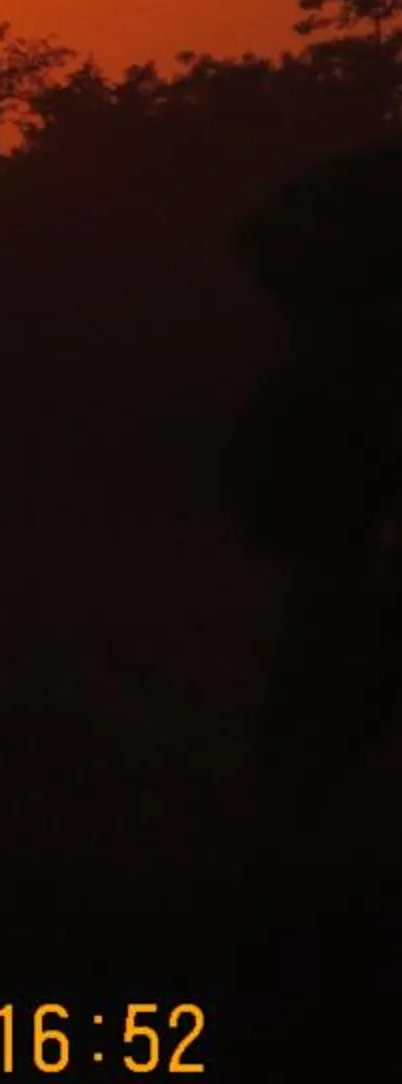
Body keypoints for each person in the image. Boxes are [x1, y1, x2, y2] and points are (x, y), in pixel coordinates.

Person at [225, 137, 402, 817]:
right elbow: (270, 237)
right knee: (332, 644)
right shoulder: (371, 189)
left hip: (346, 471)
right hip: (348, 475)